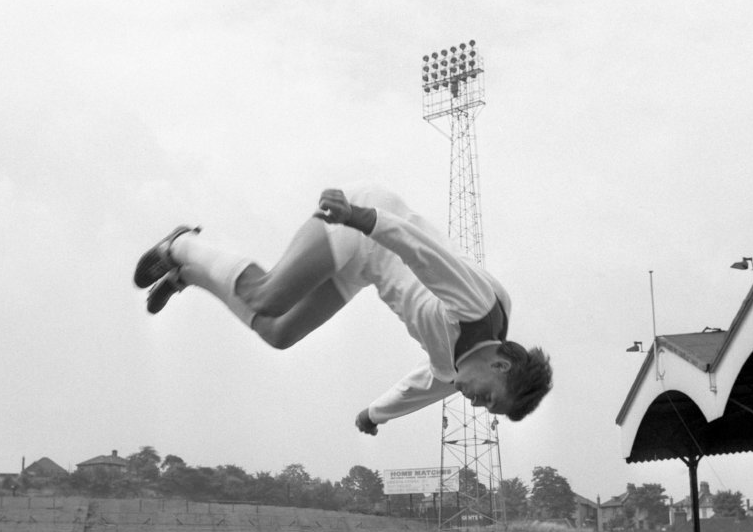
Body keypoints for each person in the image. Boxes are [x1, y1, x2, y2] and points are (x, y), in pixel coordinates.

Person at [134, 185, 552, 433]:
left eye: (483, 408)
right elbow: (423, 253)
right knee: (269, 298)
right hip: (367, 220)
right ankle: (179, 245)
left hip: (368, 266)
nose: (476, 404)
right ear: (501, 367)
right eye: (490, 400)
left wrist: (375, 414)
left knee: (278, 334)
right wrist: (361, 217)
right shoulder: (478, 307)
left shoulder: (454, 373)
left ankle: (187, 275)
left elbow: (420, 388)